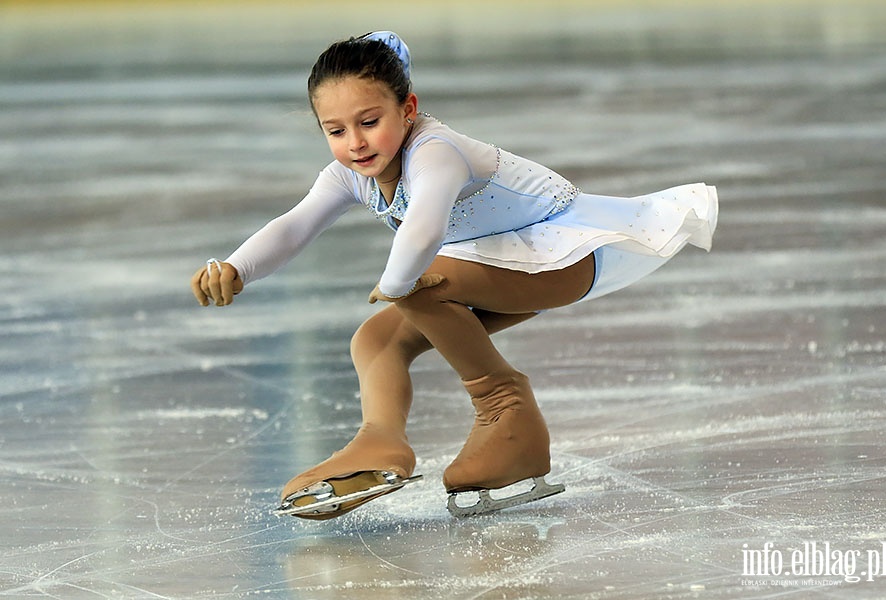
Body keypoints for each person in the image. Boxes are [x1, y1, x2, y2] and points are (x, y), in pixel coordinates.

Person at [191, 31, 718, 519]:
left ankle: (506, 412)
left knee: (423, 283)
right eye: (336, 130)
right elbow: (293, 226)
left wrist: (399, 283)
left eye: (369, 121)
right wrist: (237, 267)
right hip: (495, 264)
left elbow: (422, 230)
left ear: (408, 108)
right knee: (374, 339)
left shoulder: (436, 151)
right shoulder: (351, 174)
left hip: (566, 252)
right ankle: (379, 441)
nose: (355, 142)